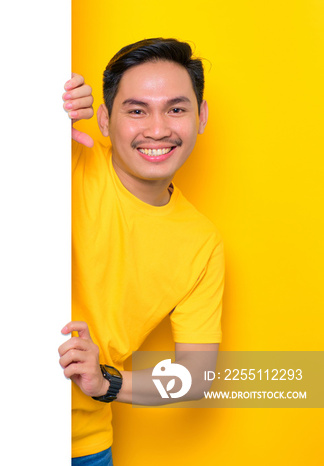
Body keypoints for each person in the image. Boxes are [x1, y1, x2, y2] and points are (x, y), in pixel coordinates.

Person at [58, 38, 224, 465]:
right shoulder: (67, 161)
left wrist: (106, 385)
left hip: (83, 445)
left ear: (201, 116)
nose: (157, 129)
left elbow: (196, 375)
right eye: (136, 110)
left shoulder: (202, 244)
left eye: (176, 108)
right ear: (104, 119)